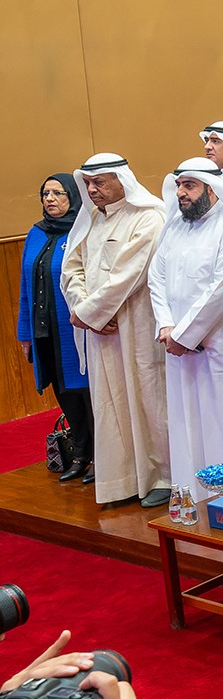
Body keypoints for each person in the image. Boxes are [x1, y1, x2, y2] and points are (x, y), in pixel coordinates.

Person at [63, 154, 170, 507]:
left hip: (135, 327)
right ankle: (121, 478)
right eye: (88, 184)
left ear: (123, 180)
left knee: (147, 401)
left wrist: (91, 312)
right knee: (110, 404)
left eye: (101, 182)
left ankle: (162, 477)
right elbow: (71, 269)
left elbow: (129, 275)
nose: (93, 190)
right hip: (101, 330)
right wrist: (84, 311)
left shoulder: (148, 217)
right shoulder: (91, 218)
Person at [149, 160, 223, 495]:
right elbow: (156, 278)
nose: (181, 193)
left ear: (211, 188)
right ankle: (192, 494)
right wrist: (167, 326)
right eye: (179, 186)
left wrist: (185, 334)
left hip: (217, 346)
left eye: (189, 186)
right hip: (178, 348)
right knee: (184, 423)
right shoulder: (175, 226)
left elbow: (222, 286)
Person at [19, 173, 93, 482]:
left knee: (87, 394)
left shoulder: (83, 231)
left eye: (58, 193)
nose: (50, 199)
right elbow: (25, 286)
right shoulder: (37, 233)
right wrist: (25, 334)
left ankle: (103, 457)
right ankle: (80, 454)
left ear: (73, 197)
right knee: (63, 392)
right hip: (44, 330)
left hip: (76, 330)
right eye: (45, 193)